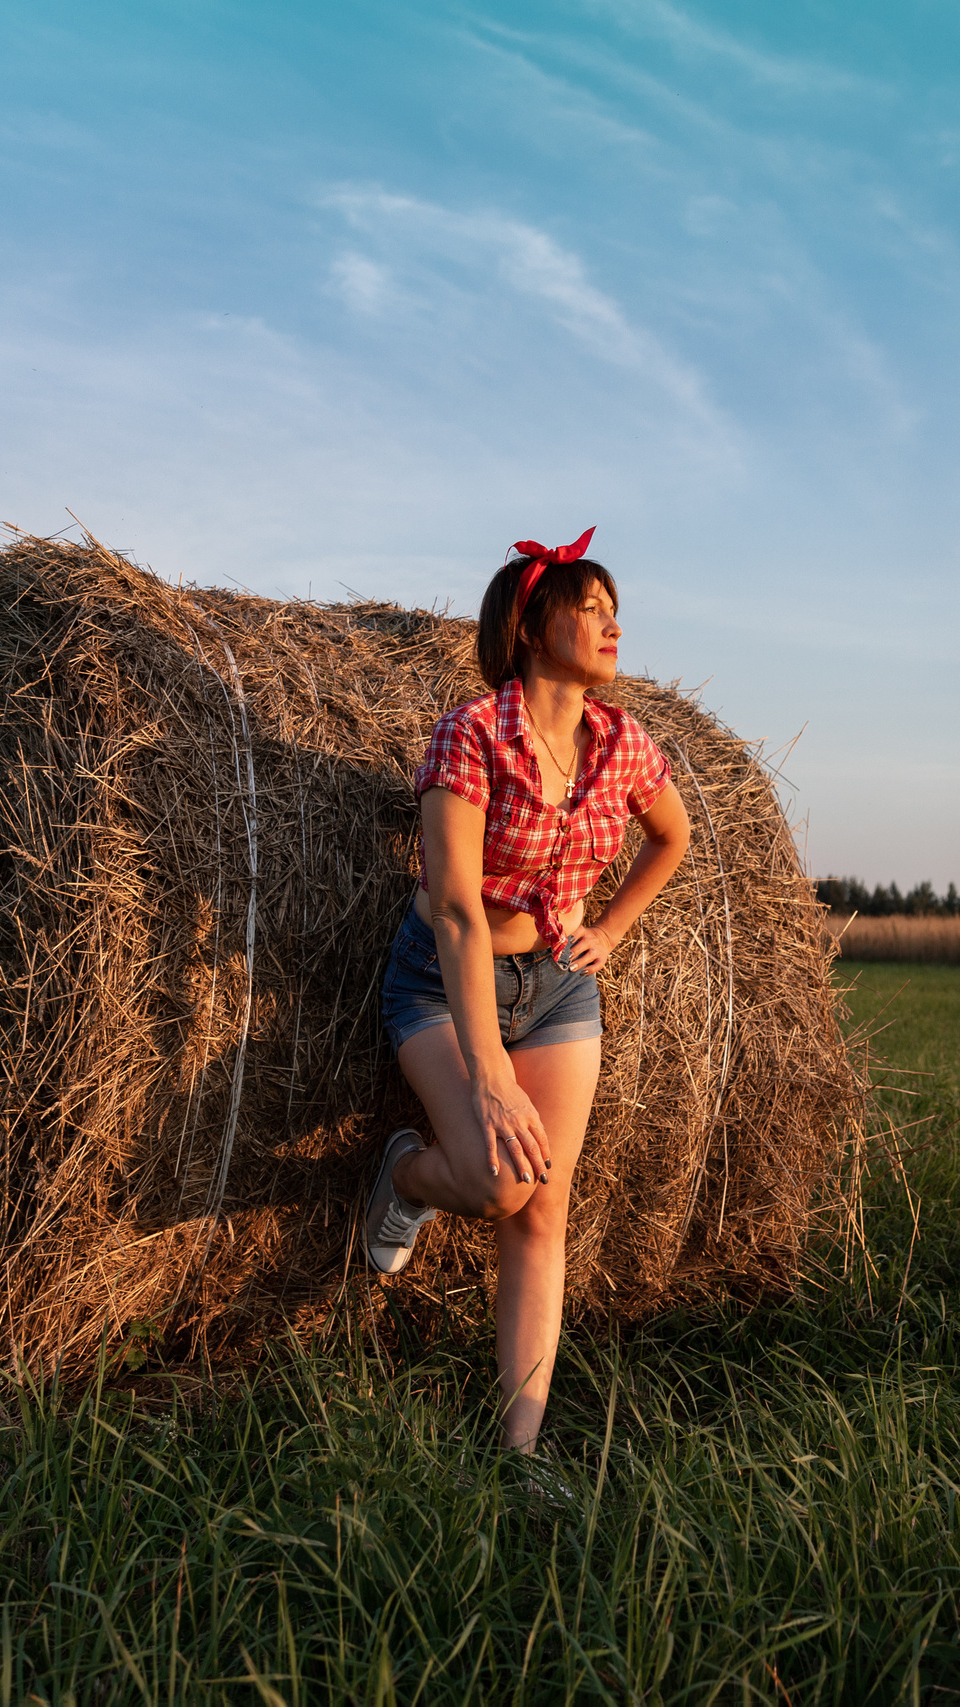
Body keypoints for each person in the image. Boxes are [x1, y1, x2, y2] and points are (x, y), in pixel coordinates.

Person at [364, 528, 692, 1454]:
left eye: (612, 608)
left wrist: (613, 927)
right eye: (587, 606)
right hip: (441, 977)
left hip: (557, 989)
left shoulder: (623, 745)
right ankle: (404, 1174)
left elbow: (672, 838)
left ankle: (520, 1452)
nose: (610, 623)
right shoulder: (471, 735)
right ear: (529, 621)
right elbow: (460, 913)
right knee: (497, 1181)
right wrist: (489, 1074)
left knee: (544, 1205)